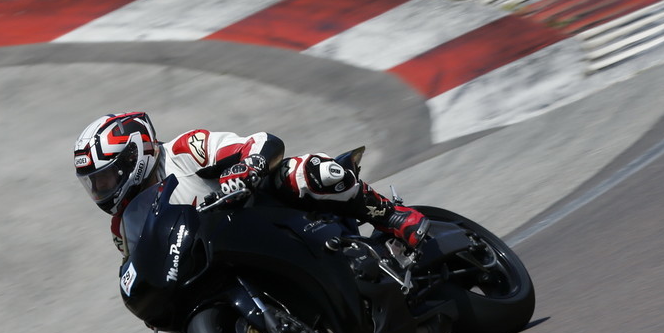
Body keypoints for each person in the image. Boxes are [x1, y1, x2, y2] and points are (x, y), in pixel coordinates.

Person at [73, 112, 429, 256]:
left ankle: (393, 216)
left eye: (106, 178)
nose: (102, 190)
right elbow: (142, 264)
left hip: (266, 213)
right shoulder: (122, 227)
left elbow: (260, 143)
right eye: (95, 183)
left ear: (134, 157)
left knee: (309, 172)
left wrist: (248, 167)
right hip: (224, 256)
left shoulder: (185, 150)